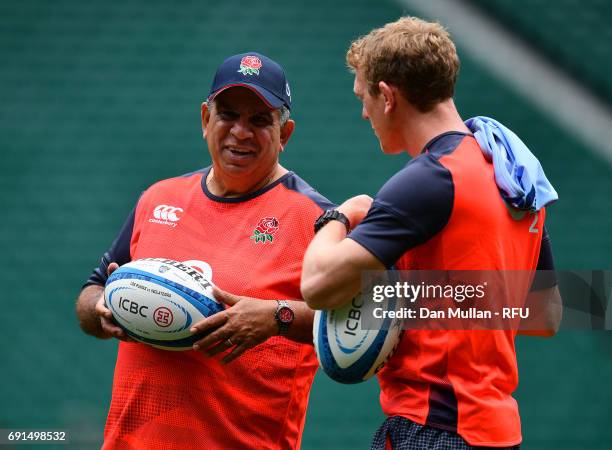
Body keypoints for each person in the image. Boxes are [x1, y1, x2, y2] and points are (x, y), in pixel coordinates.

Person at [301, 17, 559, 450]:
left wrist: (341, 216)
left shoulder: (431, 179)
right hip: (496, 432)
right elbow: (547, 315)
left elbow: (316, 284)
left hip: (435, 428)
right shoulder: (511, 171)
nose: (363, 112)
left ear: (387, 96)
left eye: (364, 97)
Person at [76, 52, 334, 450]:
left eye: (259, 120)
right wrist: (100, 309)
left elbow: (368, 320)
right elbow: (92, 290)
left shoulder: (317, 220)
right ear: (204, 120)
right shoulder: (158, 198)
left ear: (285, 135)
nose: (240, 132)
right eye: (228, 114)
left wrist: (277, 317)